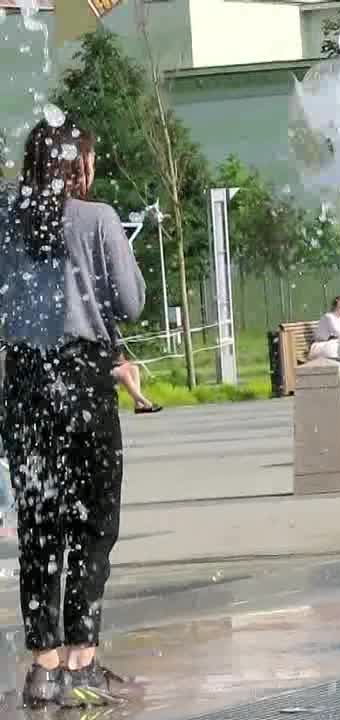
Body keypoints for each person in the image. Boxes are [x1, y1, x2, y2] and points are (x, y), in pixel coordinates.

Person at [0, 116, 144, 706]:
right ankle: (82, 663)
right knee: (92, 522)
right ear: (76, 164)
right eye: (90, 157)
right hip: (83, 381)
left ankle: (43, 667)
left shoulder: (5, 218)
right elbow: (131, 302)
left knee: (38, 524)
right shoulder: (97, 218)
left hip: (23, 382)